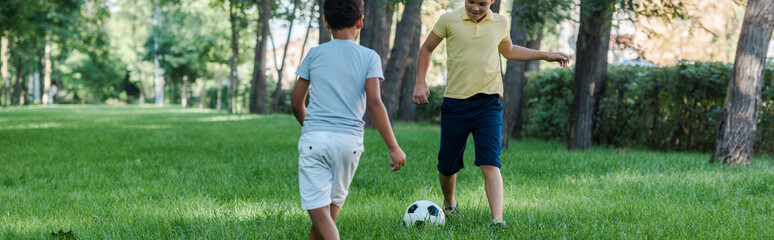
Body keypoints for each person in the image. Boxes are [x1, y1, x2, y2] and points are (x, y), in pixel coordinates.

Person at [412, 0, 570, 227]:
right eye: (471, 1)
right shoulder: (449, 19)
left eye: (482, 3)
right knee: (447, 164)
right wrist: (420, 82)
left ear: (493, 1)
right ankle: (449, 202)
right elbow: (426, 49)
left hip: (488, 103)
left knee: (491, 162)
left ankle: (498, 219)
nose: (475, 7)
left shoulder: (500, 22)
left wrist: (545, 55)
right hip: (455, 103)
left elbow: (509, 50)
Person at [291, 0, 406, 239]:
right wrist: (393, 147)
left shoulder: (314, 55)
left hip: (315, 141)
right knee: (326, 216)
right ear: (360, 22)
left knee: (320, 215)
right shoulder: (369, 57)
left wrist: (312, 127)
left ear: (325, 22)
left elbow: (296, 103)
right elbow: (374, 103)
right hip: (349, 145)